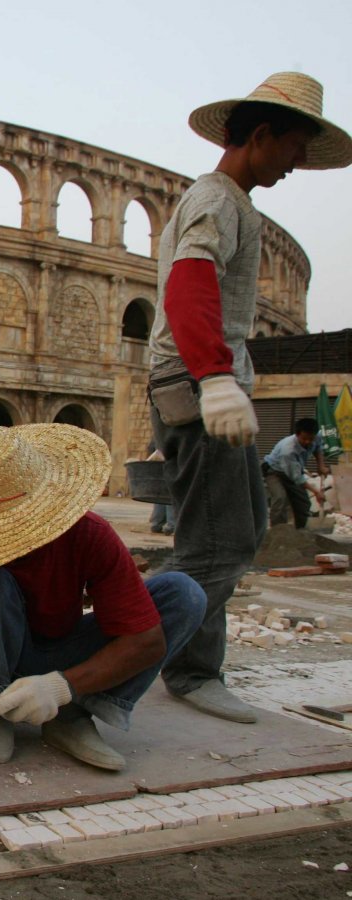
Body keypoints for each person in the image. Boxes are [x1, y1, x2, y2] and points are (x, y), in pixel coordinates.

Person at [146, 72, 352, 724]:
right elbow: (188, 284)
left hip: (200, 381)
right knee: (216, 543)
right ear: (261, 136)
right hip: (197, 384)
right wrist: (213, 377)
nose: (296, 167)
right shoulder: (220, 201)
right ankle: (166, 665)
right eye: (293, 149)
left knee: (239, 532)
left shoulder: (222, 201)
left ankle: (162, 653)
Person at [0, 425, 205, 771]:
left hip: (58, 654)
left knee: (183, 595)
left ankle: (72, 713)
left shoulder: (87, 535)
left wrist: (61, 688)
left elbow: (146, 640)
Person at [263, 417, 328, 528]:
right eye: (304, 439)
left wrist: (321, 465)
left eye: (310, 439)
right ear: (297, 434)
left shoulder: (316, 437)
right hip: (274, 472)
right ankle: (278, 532)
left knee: (304, 501)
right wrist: (316, 492)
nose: (307, 442)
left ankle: (302, 531)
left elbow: (318, 448)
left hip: (294, 470)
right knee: (280, 498)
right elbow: (297, 478)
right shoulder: (288, 450)